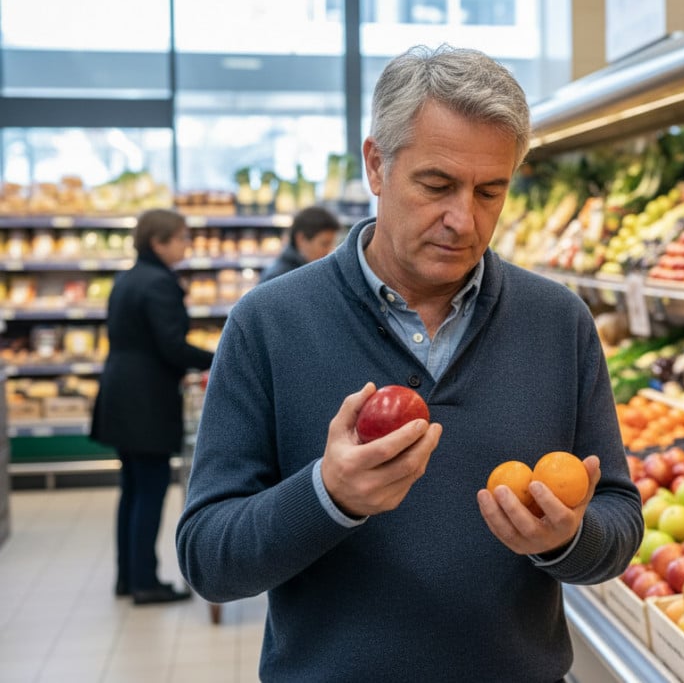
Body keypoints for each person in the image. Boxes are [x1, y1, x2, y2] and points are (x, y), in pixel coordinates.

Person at [176, 45, 643, 682]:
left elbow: (619, 521)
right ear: (377, 164)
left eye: (490, 191)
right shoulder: (269, 323)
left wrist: (567, 540)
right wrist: (326, 496)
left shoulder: (558, 322)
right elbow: (208, 558)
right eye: (436, 185)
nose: (463, 220)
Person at [91, 208, 214, 605]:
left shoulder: (127, 278)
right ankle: (146, 582)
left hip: (119, 393)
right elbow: (172, 346)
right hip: (146, 401)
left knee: (131, 489)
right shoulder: (161, 283)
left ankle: (128, 578)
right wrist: (221, 358)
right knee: (150, 490)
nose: (187, 245)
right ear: (159, 242)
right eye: (182, 238)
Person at [258, 205, 341, 283]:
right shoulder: (278, 278)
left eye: (332, 244)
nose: (330, 250)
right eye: (325, 244)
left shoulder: (310, 271)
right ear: (301, 239)